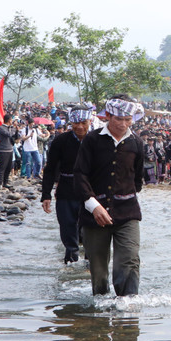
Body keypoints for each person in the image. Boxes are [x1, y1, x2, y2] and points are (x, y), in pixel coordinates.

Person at [74, 96, 145, 296]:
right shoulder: (92, 140)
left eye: (128, 119)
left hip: (128, 212)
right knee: (99, 271)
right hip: (94, 214)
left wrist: (124, 196)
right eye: (118, 119)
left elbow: (137, 180)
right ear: (108, 116)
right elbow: (80, 175)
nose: (123, 124)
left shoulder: (136, 143)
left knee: (129, 260)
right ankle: (99, 316)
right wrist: (93, 205)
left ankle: (128, 309)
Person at [42, 106, 93, 264]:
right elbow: (50, 169)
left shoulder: (96, 141)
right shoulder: (60, 141)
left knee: (90, 230)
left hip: (91, 192)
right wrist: (46, 195)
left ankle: (91, 266)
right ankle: (70, 262)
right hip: (66, 190)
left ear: (89, 122)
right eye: (75, 123)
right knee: (67, 227)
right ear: (70, 122)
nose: (79, 126)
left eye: (83, 122)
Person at [0, 114, 19, 187]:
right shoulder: (1, 128)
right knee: (2, 167)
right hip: (3, 150)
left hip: (10, 149)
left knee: (8, 167)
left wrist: (16, 131)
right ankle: (0, 183)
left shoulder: (11, 128)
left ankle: (5, 183)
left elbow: (16, 137)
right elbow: (8, 134)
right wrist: (13, 129)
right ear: (9, 120)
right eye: (11, 120)